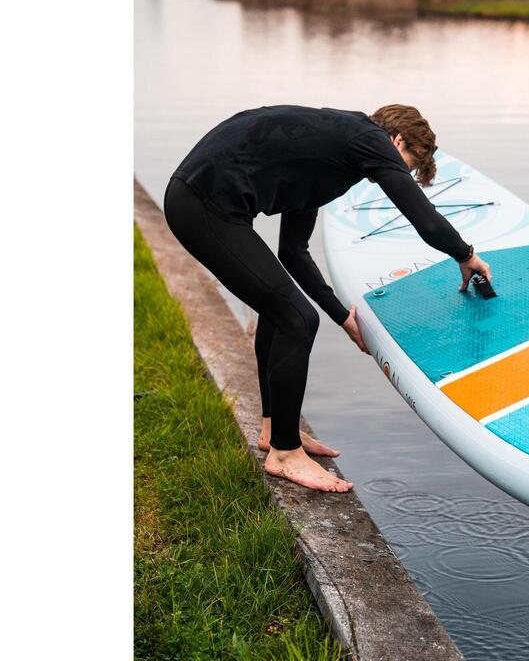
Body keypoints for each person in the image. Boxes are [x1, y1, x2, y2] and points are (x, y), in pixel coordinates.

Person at [164, 104, 491, 493]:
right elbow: (426, 220)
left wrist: (343, 317)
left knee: (280, 308)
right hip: (203, 204)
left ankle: (276, 431)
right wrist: (466, 255)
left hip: (203, 201)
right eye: (404, 163)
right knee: (297, 318)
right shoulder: (367, 139)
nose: (394, 173)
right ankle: (285, 455)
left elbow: (293, 251)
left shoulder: (333, 150)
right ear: (397, 139)